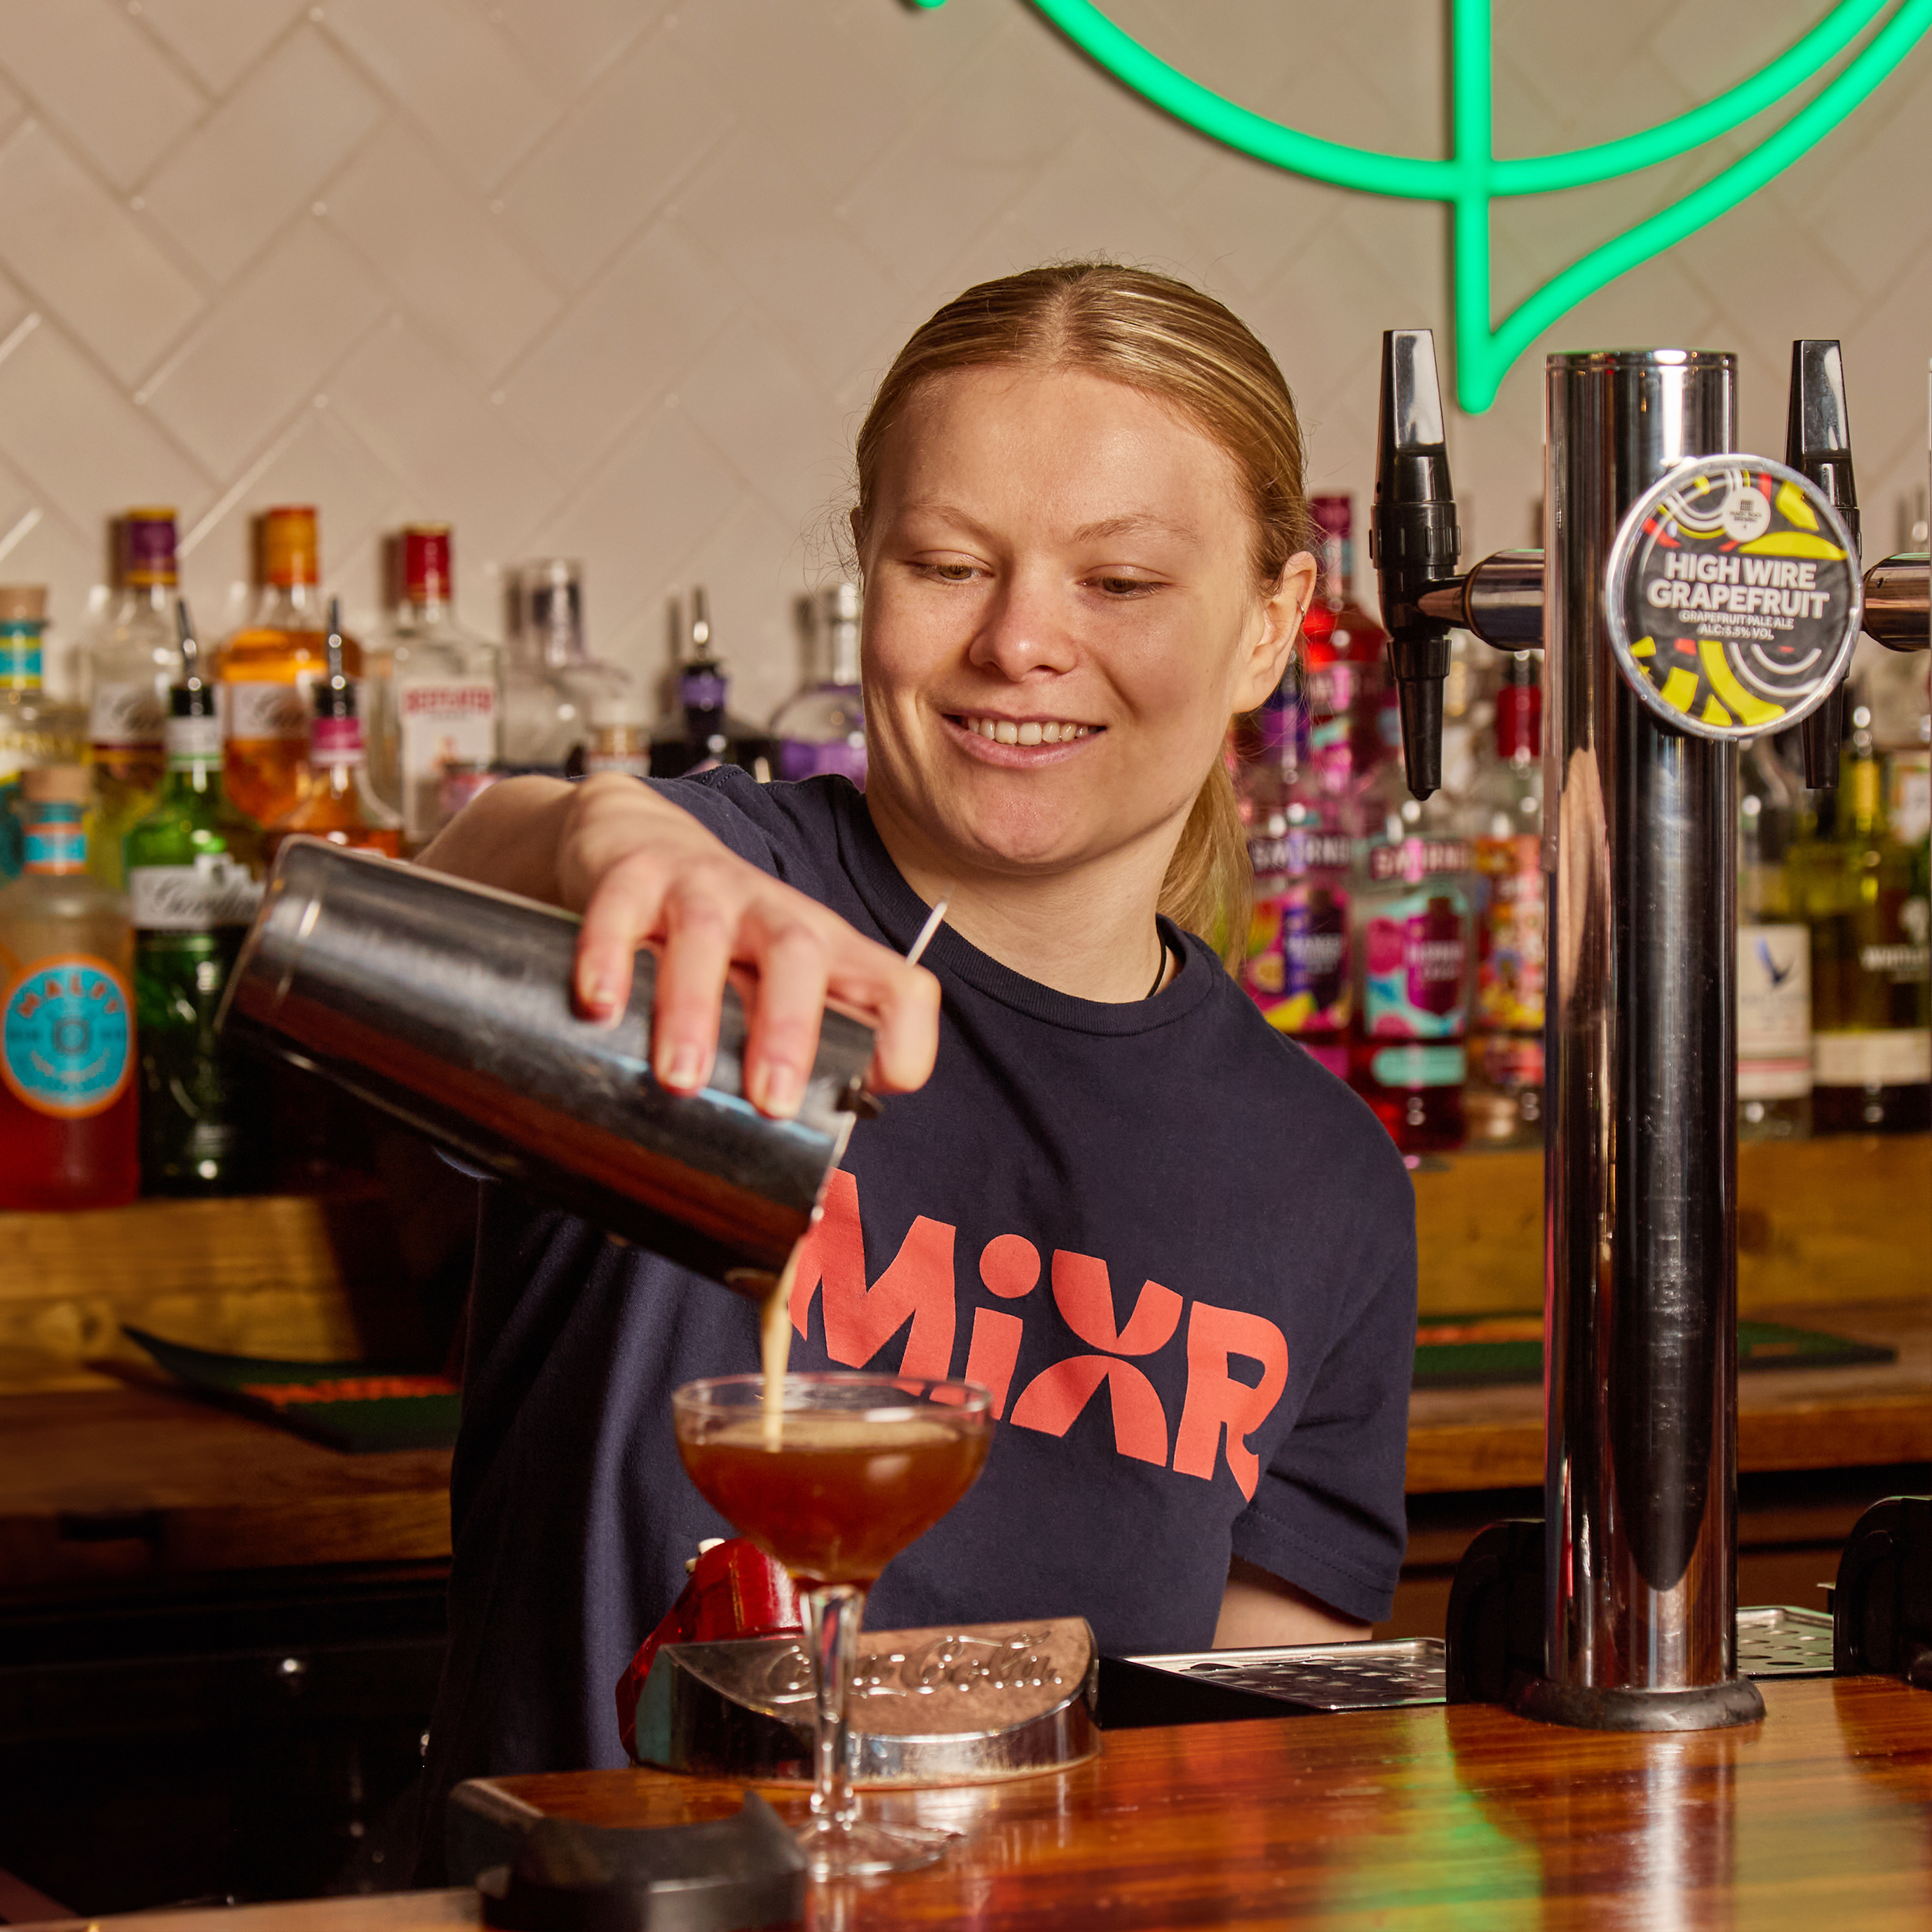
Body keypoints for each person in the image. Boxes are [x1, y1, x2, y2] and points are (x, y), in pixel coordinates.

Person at [416, 264, 1417, 1830]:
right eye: (947, 563)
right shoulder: (708, 907)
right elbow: (459, 869)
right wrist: (608, 836)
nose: (1019, 641)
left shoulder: (1320, 1180)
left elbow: (1244, 1780)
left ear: (1271, 627)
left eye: (1121, 583)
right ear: (867, 574)